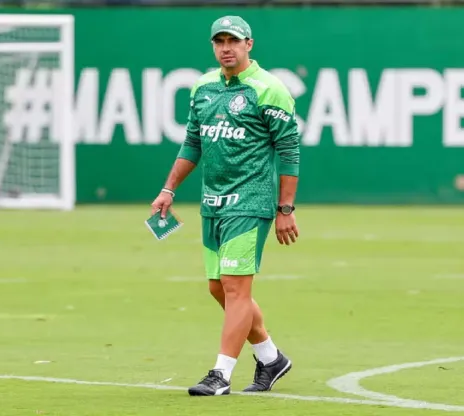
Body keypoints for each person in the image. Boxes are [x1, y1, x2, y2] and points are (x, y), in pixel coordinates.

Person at [150, 15, 301, 397]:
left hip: (250, 203)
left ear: (249, 44)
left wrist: (285, 209)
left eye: (233, 40)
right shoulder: (202, 87)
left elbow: (289, 150)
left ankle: (220, 374)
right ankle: (270, 358)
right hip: (212, 203)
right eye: (219, 42)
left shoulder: (269, 89)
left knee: (236, 288)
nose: (226, 48)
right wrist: (168, 190)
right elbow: (192, 144)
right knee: (219, 289)